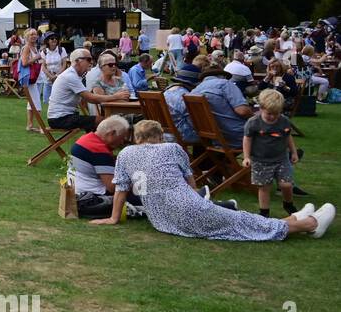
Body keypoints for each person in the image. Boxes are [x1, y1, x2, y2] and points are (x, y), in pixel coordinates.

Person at [91, 120, 333, 239]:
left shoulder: (125, 154)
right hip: (187, 208)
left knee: (236, 221)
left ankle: (293, 218)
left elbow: (120, 189)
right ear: (158, 136)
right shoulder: (172, 148)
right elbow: (191, 185)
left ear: (136, 138)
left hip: (161, 218)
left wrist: (113, 218)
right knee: (239, 224)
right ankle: (309, 225)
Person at [69, 116, 145, 219]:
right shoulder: (98, 150)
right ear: (112, 133)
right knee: (144, 195)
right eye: (122, 137)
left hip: (78, 192)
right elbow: (113, 186)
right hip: (94, 196)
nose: (122, 142)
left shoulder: (86, 139)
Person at [243, 89, 301, 218]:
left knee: (286, 184)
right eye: (269, 113)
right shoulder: (253, 123)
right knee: (264, 187)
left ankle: (288, 204)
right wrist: (246, 157)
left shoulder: (284, 121)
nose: (273, 117)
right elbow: (247, 139)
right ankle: (264, 213)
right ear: (261, 108)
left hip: (281, 158)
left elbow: (287, 136)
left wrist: (294, 152)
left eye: (276, 113)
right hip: (260, 160)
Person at [46, 48, 130, 131]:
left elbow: (86, 99)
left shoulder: (74, 75)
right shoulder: (70, 76)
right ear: (78, 61)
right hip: (60, 119)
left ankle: (94, 141)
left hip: (63, 116)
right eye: (89, 59)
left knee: (99, 121)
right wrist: (116, 96)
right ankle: (98, 143)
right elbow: (90, 98)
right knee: (105, 122)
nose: (92, 62)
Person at [190, 61, 253, 146]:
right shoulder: (225, 84)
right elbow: (243, 111)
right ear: (223, 76)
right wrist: (256, 116)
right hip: (236, 136)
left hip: (212, 139)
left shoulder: (194, 91)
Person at [162, 63, 202, 143]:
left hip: (163, 133)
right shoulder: (185, 96)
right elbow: (194, 122)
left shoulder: (165, 92)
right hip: (181, 135)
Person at [17, 28, 42, 132]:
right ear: (26, 36)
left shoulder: (35, 47)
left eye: (35, 34)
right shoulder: (27, 47)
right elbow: (24, 63)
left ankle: (30, 125)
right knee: (36, 102)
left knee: (31, 102)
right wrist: (37, 57)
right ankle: (41, 127)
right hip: (29, 78)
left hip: (36, 78)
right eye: (31, 34)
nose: (34, 36)